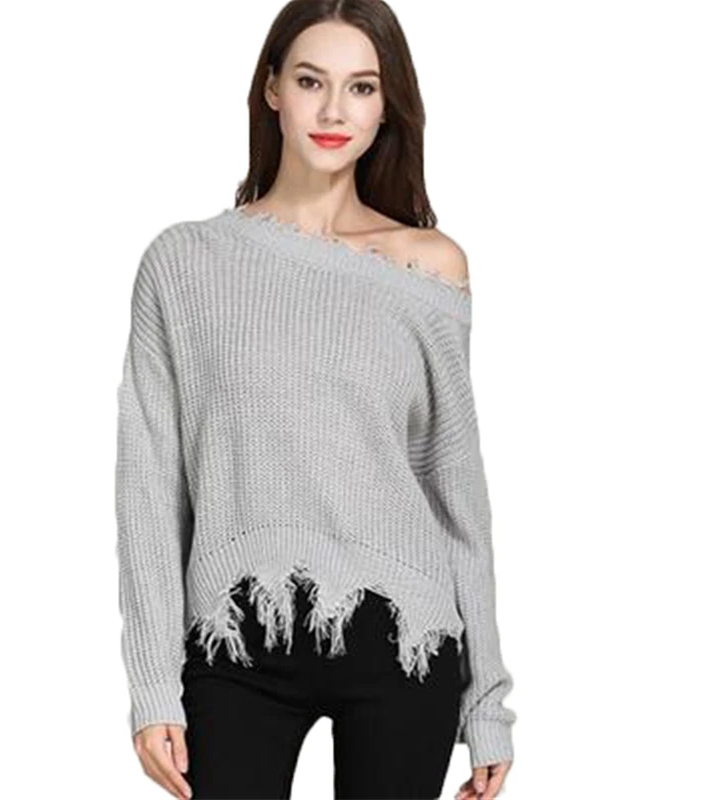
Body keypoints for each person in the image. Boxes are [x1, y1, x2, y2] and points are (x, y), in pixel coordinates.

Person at [115, 2, 516, 798]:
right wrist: (153, 683)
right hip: (236, 639)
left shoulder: (429, 267)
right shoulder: (184, 263)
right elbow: (150, 486)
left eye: (361, 87)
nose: (335, 111)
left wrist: (488, 701)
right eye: (310, 81)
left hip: (404, 638)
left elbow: (455, 493)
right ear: (272, 90)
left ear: (387, 105)